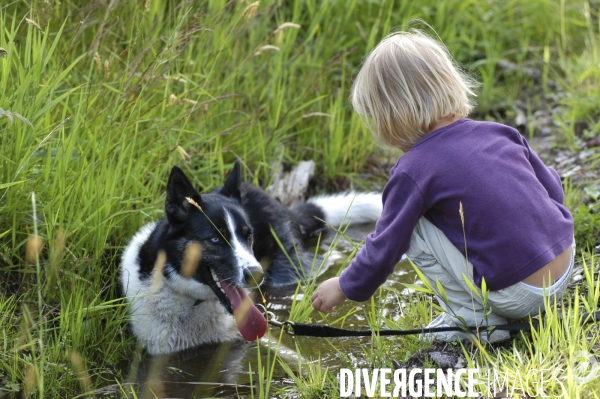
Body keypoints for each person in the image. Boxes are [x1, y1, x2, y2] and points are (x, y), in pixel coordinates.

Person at [310, 30, 575, 343]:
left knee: (412, 224)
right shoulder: (499, 132)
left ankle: (474, 319)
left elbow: (385, 245)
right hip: (564, 268)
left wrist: (344, 285)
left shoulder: (413, 169)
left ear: (390, 116)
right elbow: (553, 190)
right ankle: (498, 304)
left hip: (521, 294)